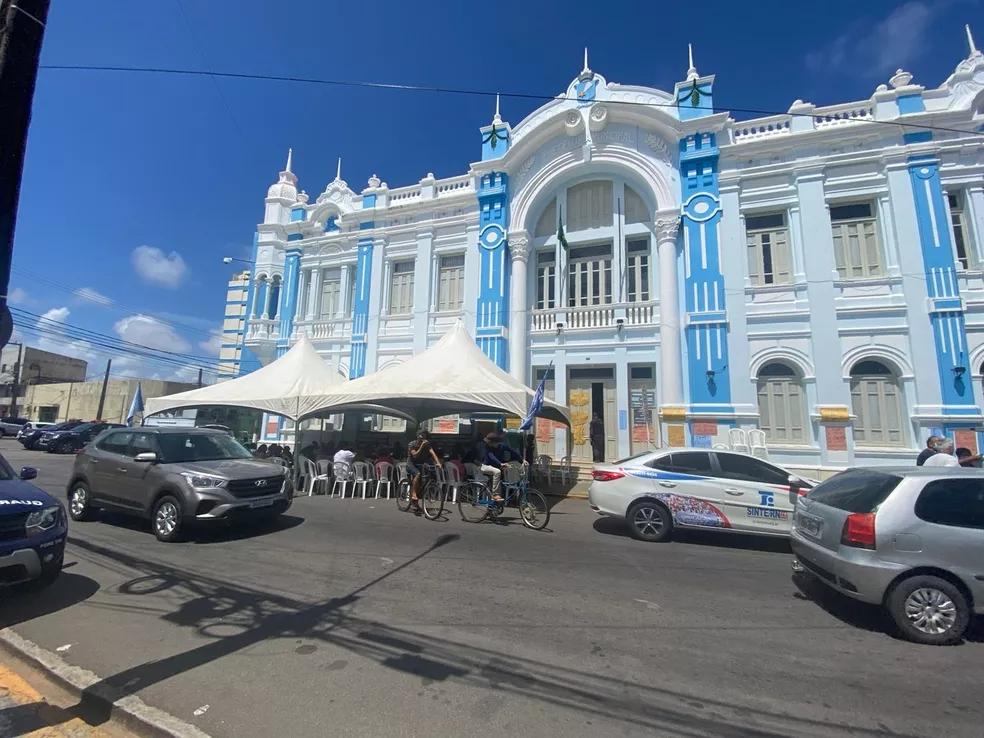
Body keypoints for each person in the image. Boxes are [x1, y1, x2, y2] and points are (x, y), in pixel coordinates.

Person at [407, 430, 442, 512]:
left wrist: (438, 462)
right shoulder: (412, 444)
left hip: (421, 464)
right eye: (421, 435)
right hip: (411, 464)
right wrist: (422, 446)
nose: (423, 437)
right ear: (418, 436)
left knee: (423, 481)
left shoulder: (427, 445)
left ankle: (416, 501)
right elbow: (415, 455)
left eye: (424, 435)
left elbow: (432, 453)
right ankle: (414, 494)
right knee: (418, 474)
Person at [477, 433, 509, 502]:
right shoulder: (488, 448)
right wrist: (500, 464)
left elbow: (511, 451)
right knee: (497, 472)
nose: (497, 444)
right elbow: (492, 457)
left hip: (491, 467)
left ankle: (492, 502)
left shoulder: (497, 448)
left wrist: (522, 460)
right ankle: (495, 494)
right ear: (492, 443)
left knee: (499, 479)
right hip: (485, 467)